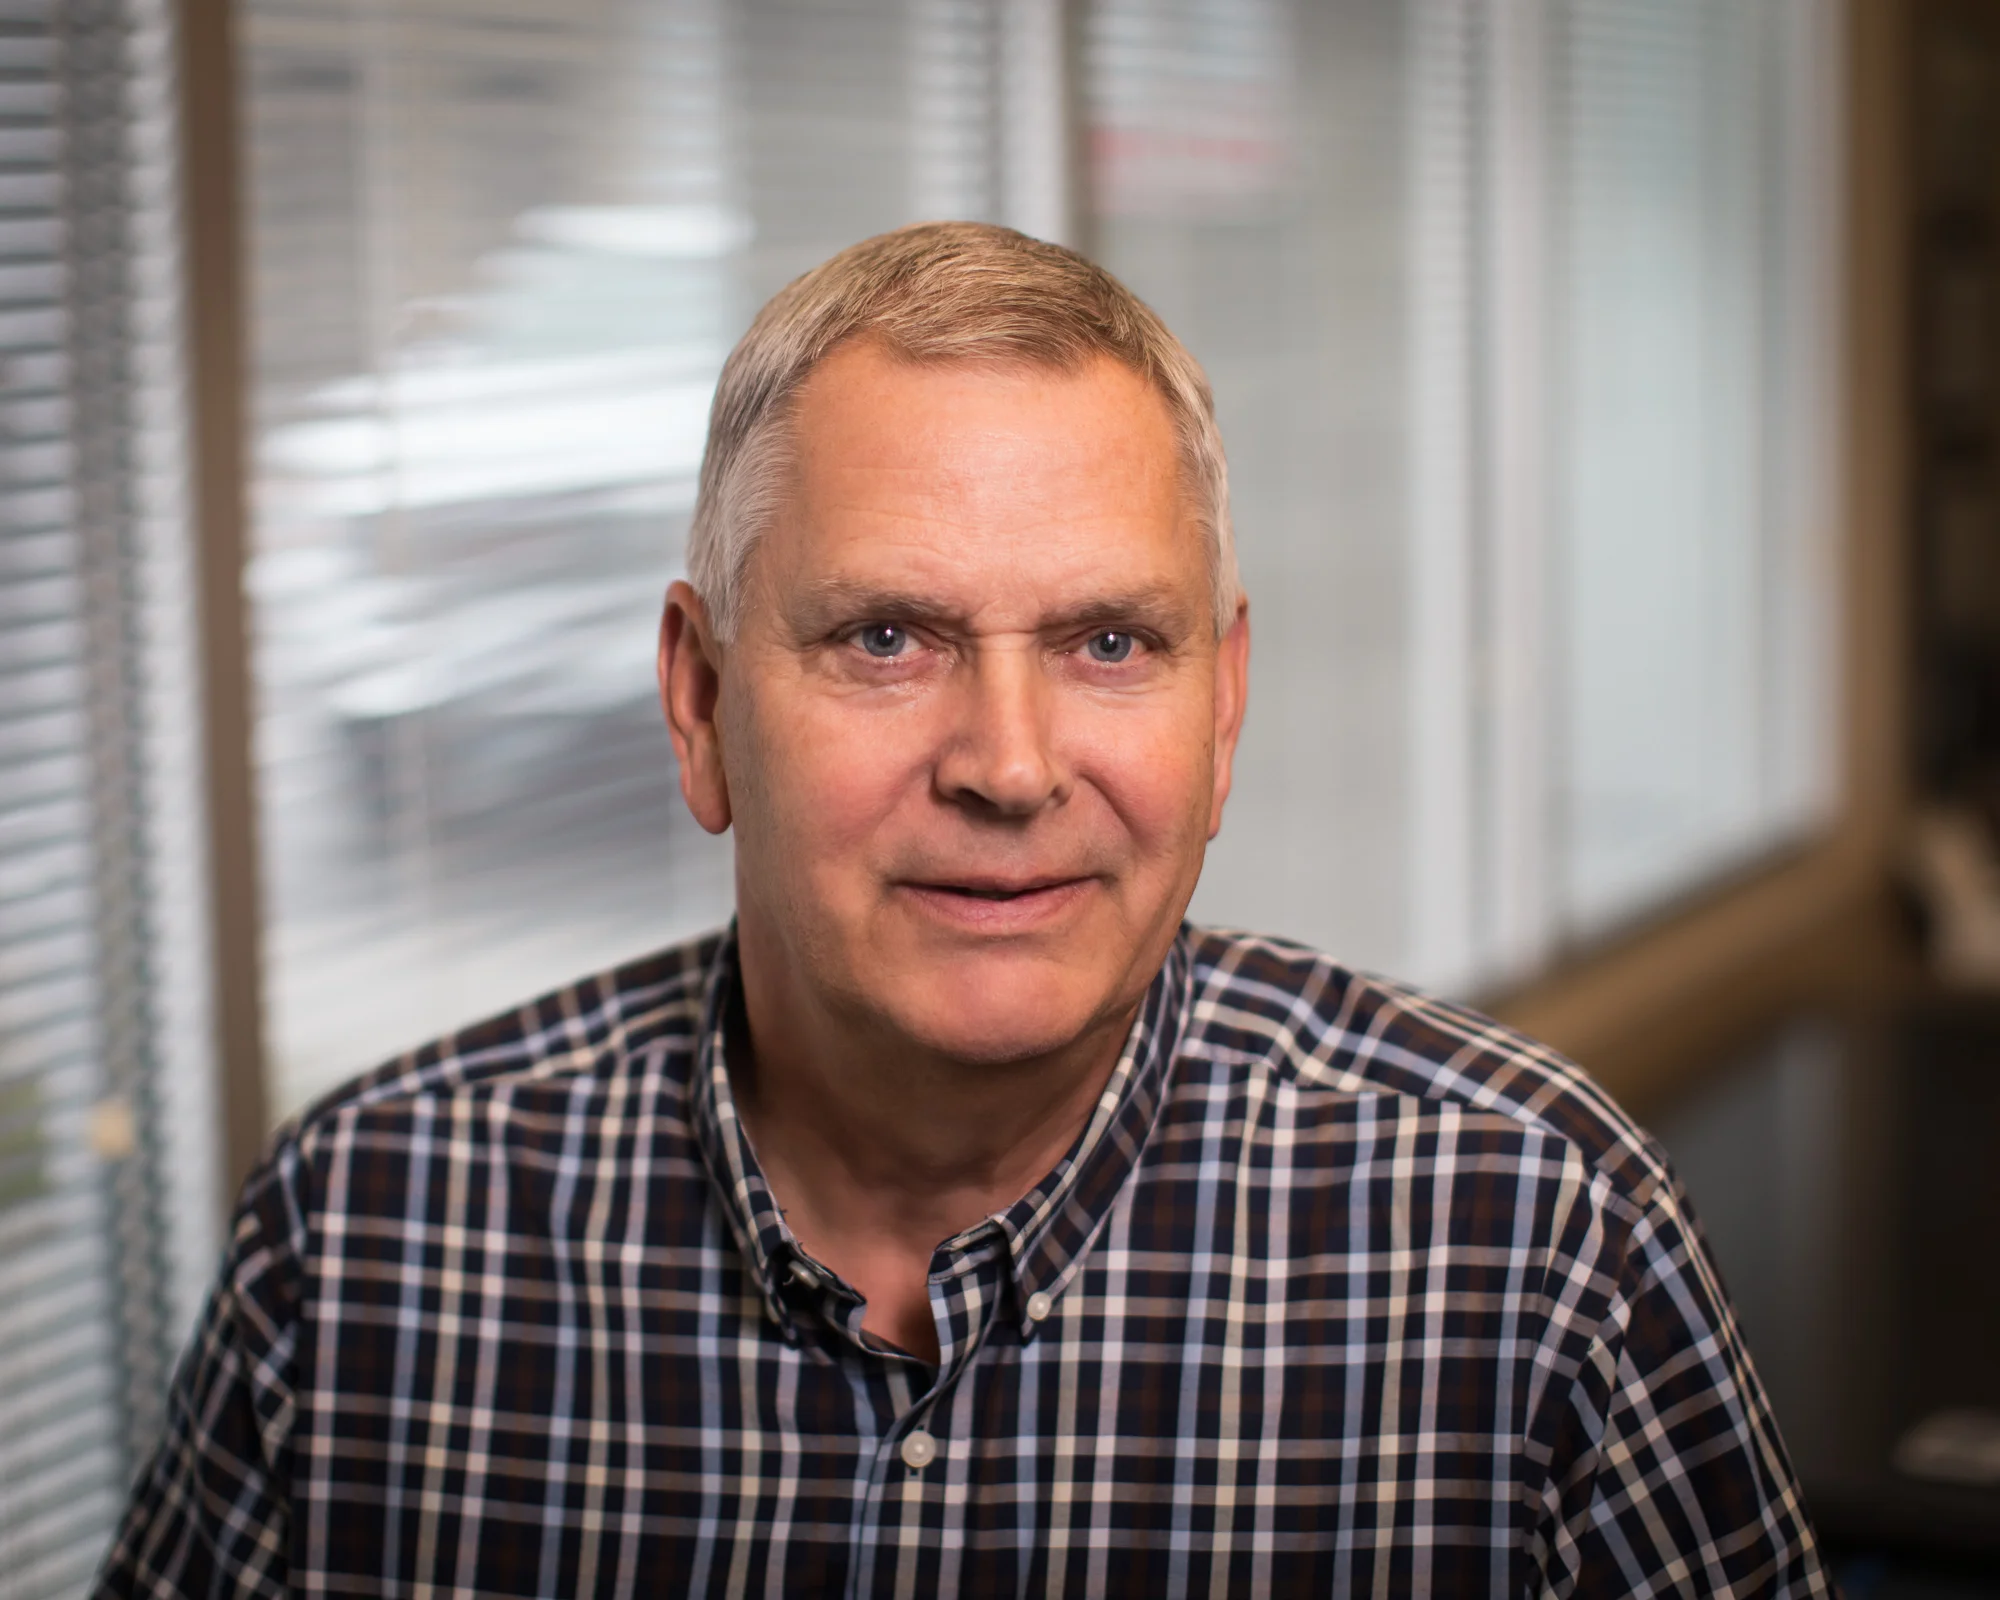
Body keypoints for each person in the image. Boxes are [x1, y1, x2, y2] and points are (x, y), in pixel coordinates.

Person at [98, 222, 1829, 1596]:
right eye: (886, 639)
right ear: (701, 704)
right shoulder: (366, 1243)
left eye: (1109, 643)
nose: (1009, 766)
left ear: (1223, 710)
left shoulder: (1535, 1243)